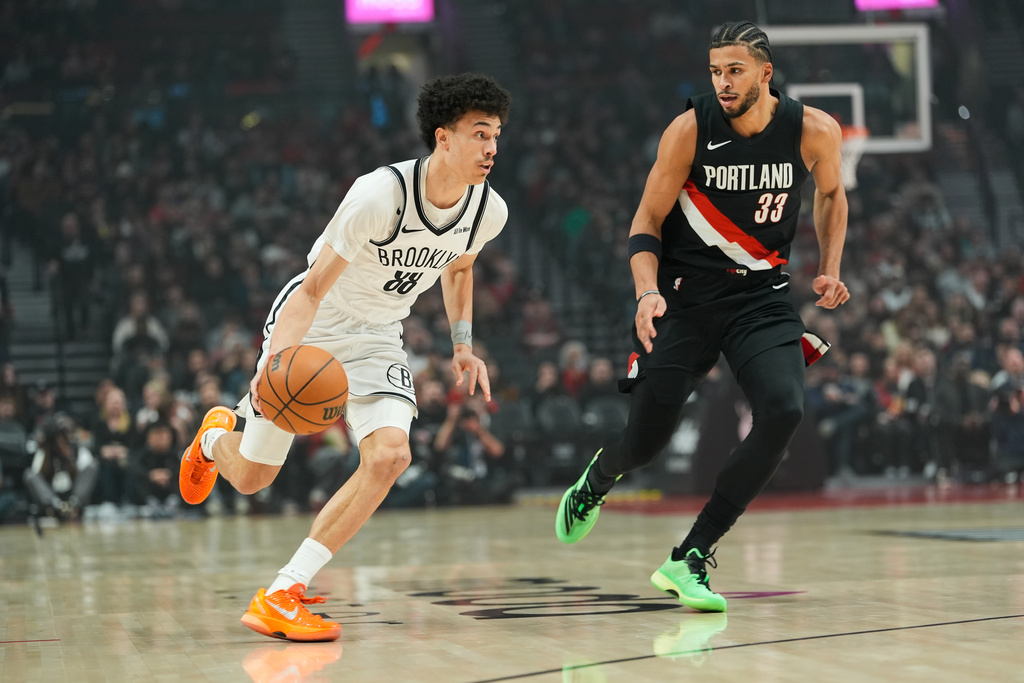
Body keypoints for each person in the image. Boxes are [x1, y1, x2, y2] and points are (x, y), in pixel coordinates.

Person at [178, 72, 511, 641]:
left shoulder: (489, 211)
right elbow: (311, 289)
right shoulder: (379, 196)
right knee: (255, 478)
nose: (491, 149)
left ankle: (284, 590)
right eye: (479, 134)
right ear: (443, 138)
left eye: (497, 135)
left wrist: (462, 344)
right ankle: (213, 439)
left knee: (390, 456)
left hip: (379, 335)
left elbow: (459, 267)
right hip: (315, 322)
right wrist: (277, 360)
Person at [555, 21, 849, 613]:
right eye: (715, 71)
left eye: (734, 70)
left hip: (762, 299)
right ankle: (599, 478)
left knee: (785, 410)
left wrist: (831, 267)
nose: (722, 81)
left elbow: (831, 196)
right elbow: (646, 220)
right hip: (685, 299)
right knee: (646, 442)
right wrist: (645, 292)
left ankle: (691, 554)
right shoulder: (690, 130)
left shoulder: (813, 129)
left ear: (766, 73)